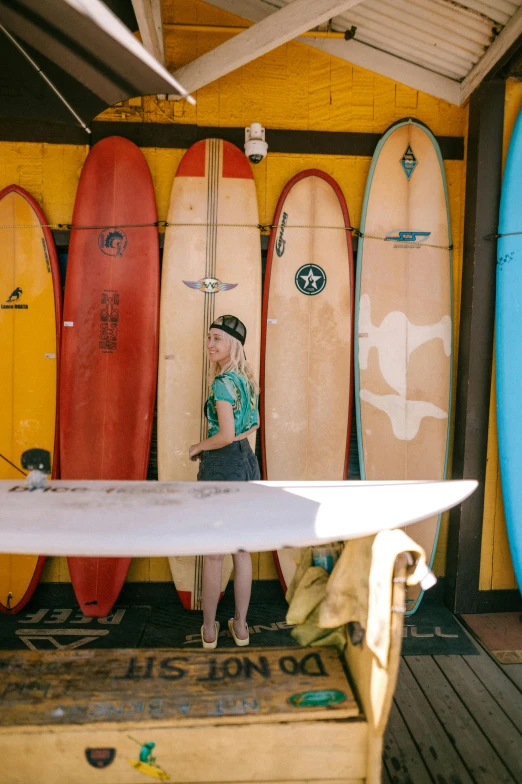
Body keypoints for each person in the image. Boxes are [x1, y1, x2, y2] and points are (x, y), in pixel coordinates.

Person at [188, 315, 260, 649]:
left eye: (217, 338)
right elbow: (250, 429)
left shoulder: (221, 384)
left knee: (216, 553)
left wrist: (199, 446)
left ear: (233, 344)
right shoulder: (246, 380)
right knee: (241, 551)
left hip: (221, 464)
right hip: (246, 461)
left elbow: (226, 435)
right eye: (209, 338)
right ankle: (241, 627)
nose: (211, 344)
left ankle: (209, 630)